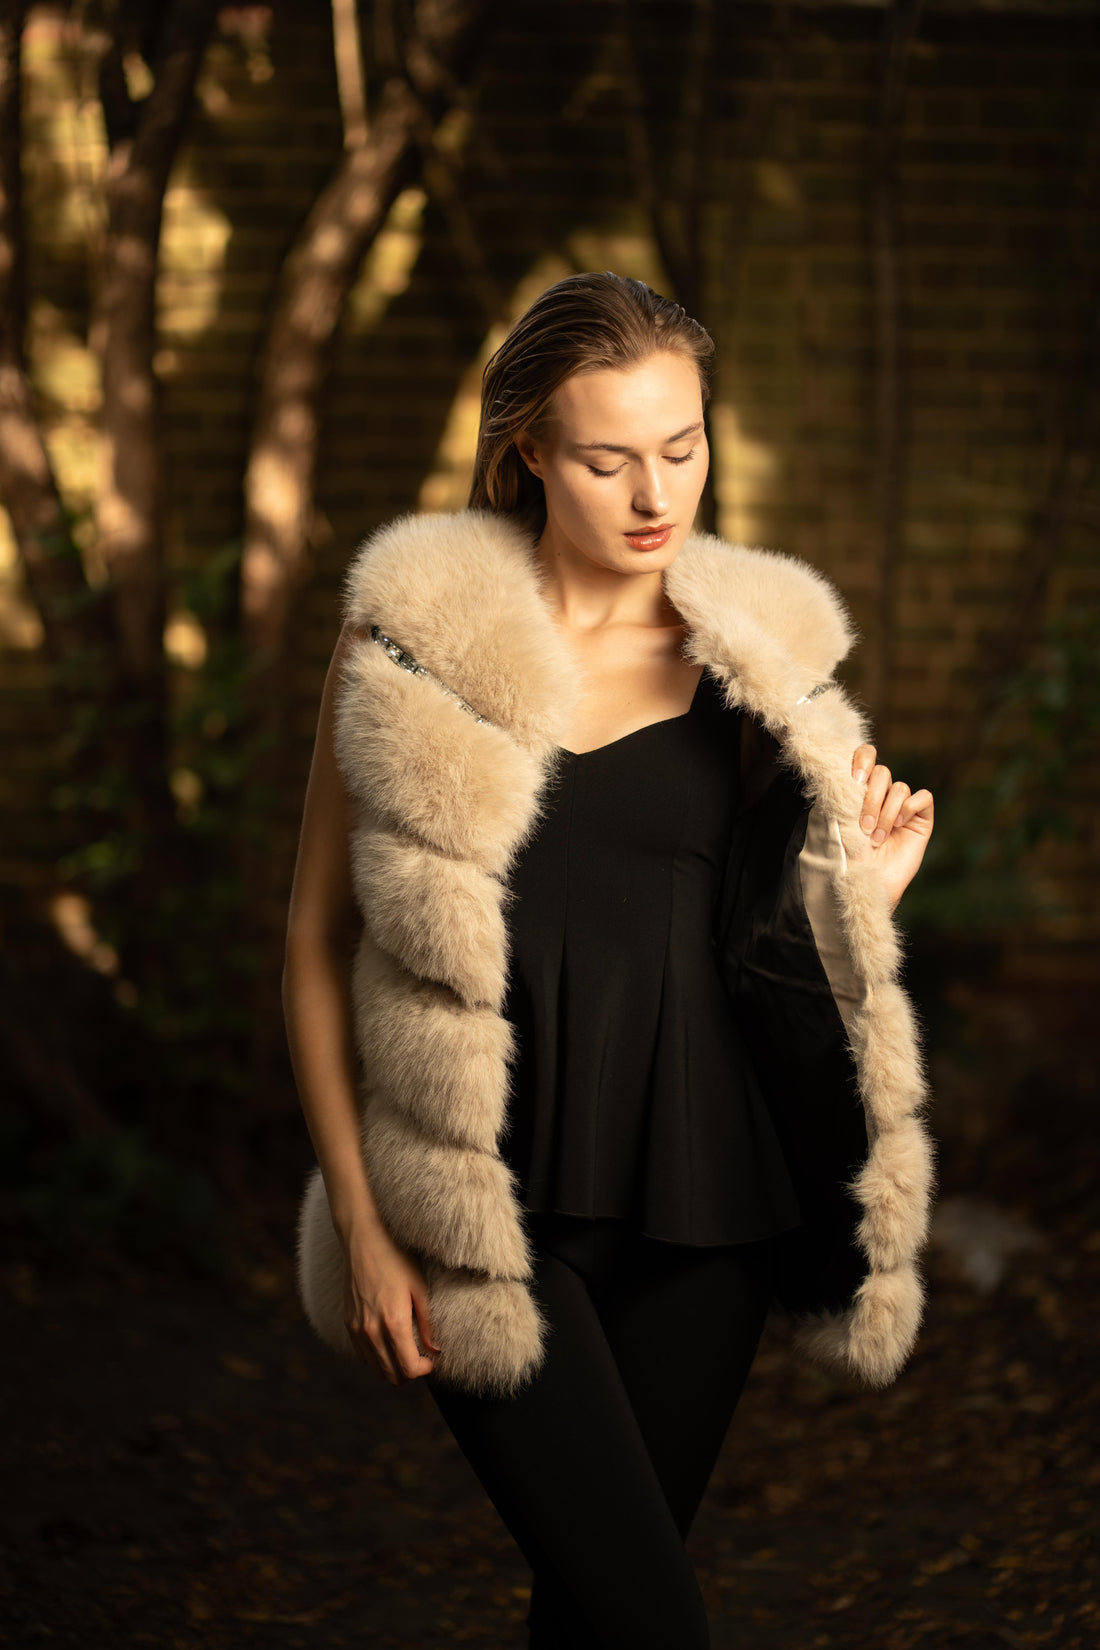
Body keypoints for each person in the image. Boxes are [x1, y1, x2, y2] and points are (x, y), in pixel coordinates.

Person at [284, 272, 936, 1649]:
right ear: (528, 448)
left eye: (682, 449)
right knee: (653, 1621)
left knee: (593, 1616)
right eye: (607, 459)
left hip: (709, 1203)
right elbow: (315, 944)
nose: (656, 495)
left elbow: (766, 959)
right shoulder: (408, 642)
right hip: (475, 1206)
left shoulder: (756, 671)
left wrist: (858, 896)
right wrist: (362, 1219)